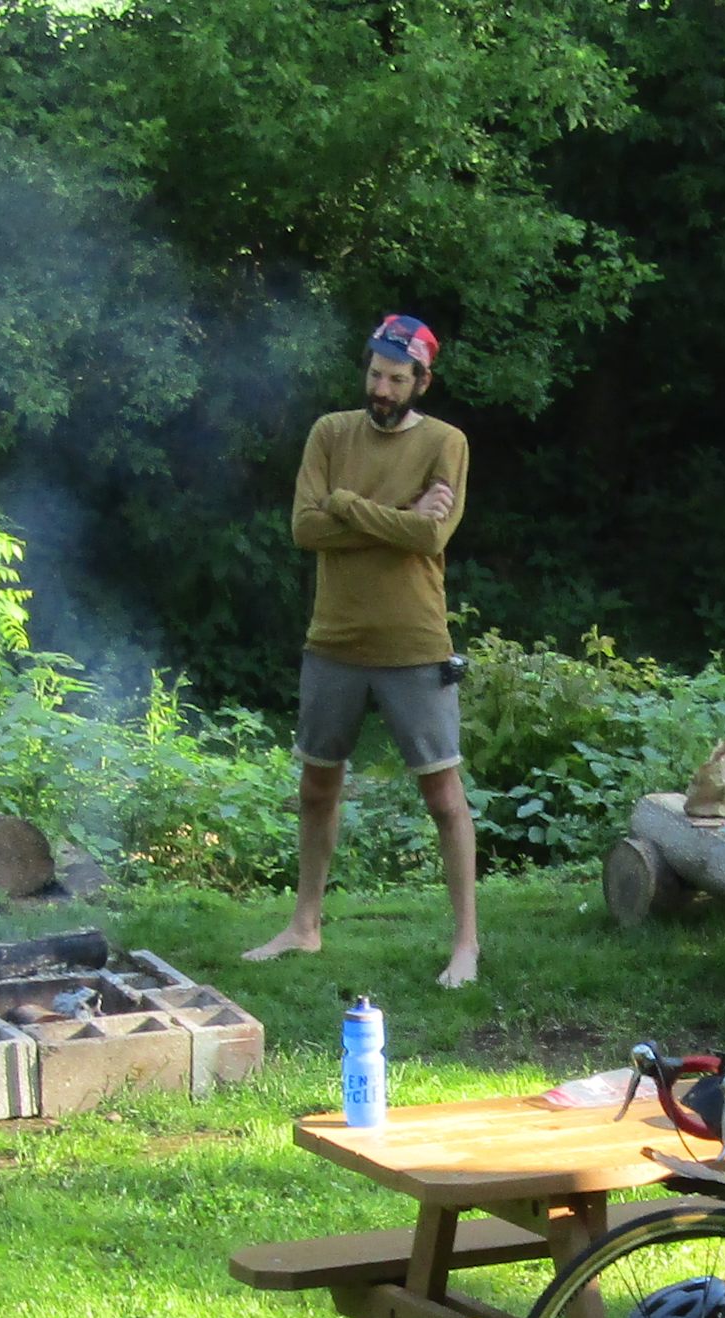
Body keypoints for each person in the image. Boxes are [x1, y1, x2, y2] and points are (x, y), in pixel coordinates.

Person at [244, 314, 481, 989]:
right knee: (318, 783)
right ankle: (304, 926)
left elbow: (431, 540)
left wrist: (347, 504)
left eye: (395, 378)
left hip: (414, 641)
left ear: (422, 380)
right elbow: (303, 527)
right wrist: (396, 513)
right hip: (334, 639)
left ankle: (465, 944)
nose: (381, 388)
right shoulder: (330, 433)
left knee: (443, 792)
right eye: (375, 374)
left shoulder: (446, 442)